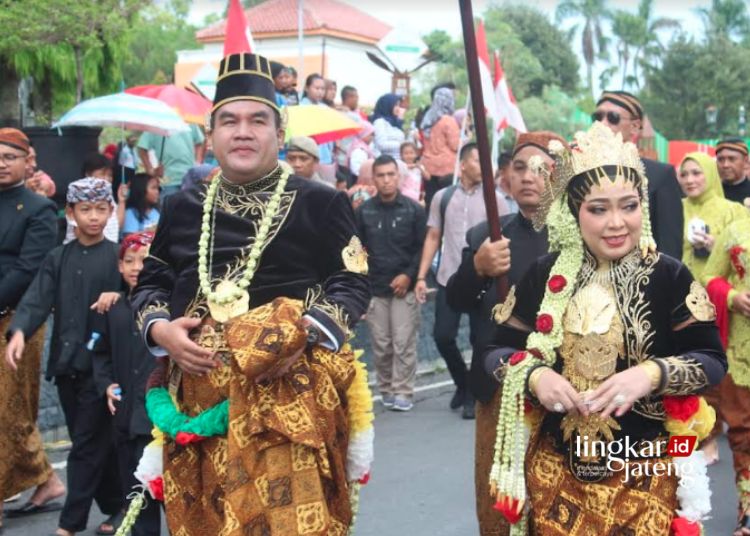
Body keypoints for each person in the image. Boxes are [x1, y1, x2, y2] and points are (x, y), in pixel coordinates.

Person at [131, 51, 371, 536]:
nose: (243, 131)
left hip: (287, 396)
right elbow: (153, 279)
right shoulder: (182, 205)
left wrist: (299, 334)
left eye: (258, 120)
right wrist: (160, 329)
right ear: (210, 135)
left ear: (278, 134)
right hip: (195, 399)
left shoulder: (320, 202)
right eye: (230, 121)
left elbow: (353, 278)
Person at [484, 122, 726, 535]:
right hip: (556, 474)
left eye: (629, 206)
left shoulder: (668, 274)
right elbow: (496, 352)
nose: (617, 223)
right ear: (574, 212)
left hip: (648, 471)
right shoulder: (545, 275)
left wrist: (650, 374)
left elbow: (711, 361)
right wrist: (535, 375)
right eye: (598, 209)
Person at [445, 131, 565, 536]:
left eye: (540, 169)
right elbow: (458, 301)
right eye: (519, 168)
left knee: (554, 497)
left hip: (558, 385)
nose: (528, 177)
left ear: (559, 177)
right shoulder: (486, 236)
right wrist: (477, 268)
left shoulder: (578, 235)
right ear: (505, 178)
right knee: (499, 498)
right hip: (496, 384)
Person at [5, 177, 123, 536]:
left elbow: (136, 296)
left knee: (85, 446)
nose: (93, 217)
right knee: (89, 440)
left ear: (110, 211)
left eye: (100, 209)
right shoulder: (57, 257)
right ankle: (121, 505)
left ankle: (69, 524)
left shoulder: (116, 258)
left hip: (102, 367)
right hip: (67, 365)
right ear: (70, 213)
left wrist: (118, 298)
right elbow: (37, 297)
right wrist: (20, 331)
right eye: (85, 209)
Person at [414, 142, 509, 419]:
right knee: (442, 336)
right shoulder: (443, 197)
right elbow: (433, 236)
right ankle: (461, 381)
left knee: (480, 339)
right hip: (449, 278)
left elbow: (505, 238)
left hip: (485, 280)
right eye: (479, 161)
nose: (486, 167)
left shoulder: (496, 199)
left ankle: (473, 396)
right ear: (464, 164)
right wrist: (421, 276)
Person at [0, 128, 66, 526]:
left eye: (9, 156)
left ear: (28, 162)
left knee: (8, 411)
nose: (1, 163)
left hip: (17, 321)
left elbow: (29, 272)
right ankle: (46, 479)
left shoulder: (38, 209)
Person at [91, 232, 161, 536]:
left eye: (144, 260)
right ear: (119, 266)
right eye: (129, 260)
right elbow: (101, 353)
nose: (136, 267)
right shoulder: (114, 308)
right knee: (137, 500)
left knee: (174, 497)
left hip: (160, 424)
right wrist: (105, 384)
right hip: (125, 420)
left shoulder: (166, 307)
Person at [356, 155, 426, 412]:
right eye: (381, 175)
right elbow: (356, 251)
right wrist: (360, 288)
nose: (386, 180)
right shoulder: (364, 211)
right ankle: (386, 388)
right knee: (382, 344)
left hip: (403, 289)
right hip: (375, 288)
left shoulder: (414, 210)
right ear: (373, 179)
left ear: (399, 176)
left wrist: (409, 274)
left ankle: (403, 391)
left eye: (390, 175)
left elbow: (423, 248)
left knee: (403, 342)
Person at [702, 217, 750, 535]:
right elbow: (709, 276)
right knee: (744, 434)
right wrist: (733, 297)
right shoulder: (736, 228)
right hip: (741, 352)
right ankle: (747, 510)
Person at [593, 90, 683, 259]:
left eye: (612, 118)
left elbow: (670, 249)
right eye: (597, 117)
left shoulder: (660, 175)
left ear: (634, 126)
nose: (602, 124)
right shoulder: (581, 174)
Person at [678, 152, 748, 282]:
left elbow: (745, 260)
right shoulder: (674, 208)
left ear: (710, 174)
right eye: (684, 174)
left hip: (716, 292)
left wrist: (717, 248)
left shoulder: (733, 211)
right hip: (677, 290)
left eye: (696, 173)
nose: (689, 180)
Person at [65, 152, 126, 244]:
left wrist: (122, 201)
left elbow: (117, 225)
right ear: (88, 174)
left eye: (110, 175)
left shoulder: (108, 198)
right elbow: (79, 233)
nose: (107, 179)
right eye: (102, 174)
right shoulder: (78, 196)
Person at [137, 124, 205, 198]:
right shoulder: (158, 123)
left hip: (190, 178)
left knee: (189, 208)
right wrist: (150, 170)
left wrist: (198, 162)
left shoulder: (189, 121)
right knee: (168, 207)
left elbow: (200, 142)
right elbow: (142, 147)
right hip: (168, 180)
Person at [420, 87, 460, 207]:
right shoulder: (449, 120)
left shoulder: (428, 118)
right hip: (447, 169)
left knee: (431, 201)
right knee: (447, 203)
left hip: (428, 167)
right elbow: (455, 145)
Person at [300, 74, 335, 166]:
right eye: (317, 88)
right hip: (308, 154)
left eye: (322, 89)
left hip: (326, 155)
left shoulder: (325, 108)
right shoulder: (300, 108)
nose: (320, 92)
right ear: (307, 88)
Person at [370, 93, 406, 160]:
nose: (398, 108)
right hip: (386, 161)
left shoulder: (394, 122)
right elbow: (381, 144)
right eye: (395, 105)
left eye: (399, 105)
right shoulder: (380, 122)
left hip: (399, 160)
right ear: (387, 105)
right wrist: (403, 145)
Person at [716, 137, 750, 204]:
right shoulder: (711, 194)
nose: (725, 165)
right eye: (720, 159)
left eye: (732, 159)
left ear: (745, 161)